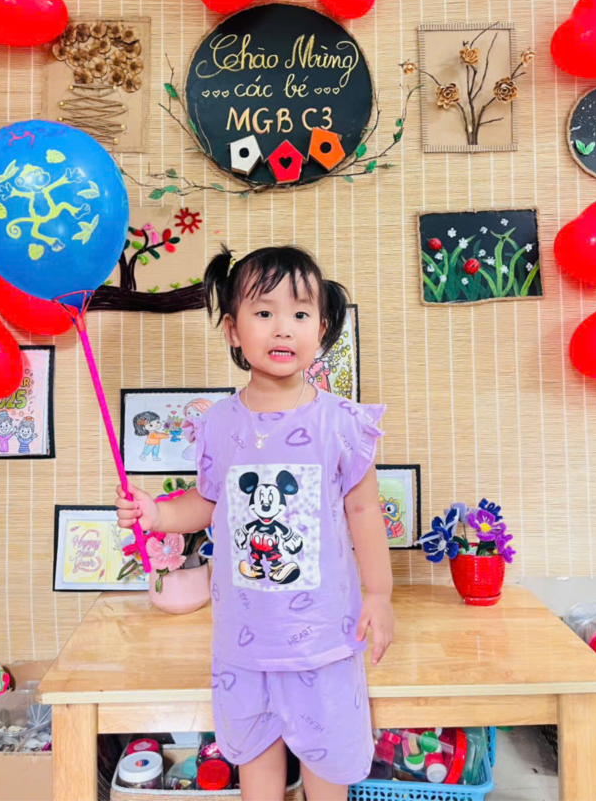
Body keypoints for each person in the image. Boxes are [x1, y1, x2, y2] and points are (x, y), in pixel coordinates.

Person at [117, 245, 393, 799]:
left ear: (322, 330)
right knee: (255, 765)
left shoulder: (341, 423)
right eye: (264, 312)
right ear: (232, 330)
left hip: (323, 639)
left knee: (327, 770)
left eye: (300, 313)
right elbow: (208, 503)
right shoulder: (218, 424)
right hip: (243, 643)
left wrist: (380, 594)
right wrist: (158, 513)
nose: (283, 327)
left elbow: (365, 511)